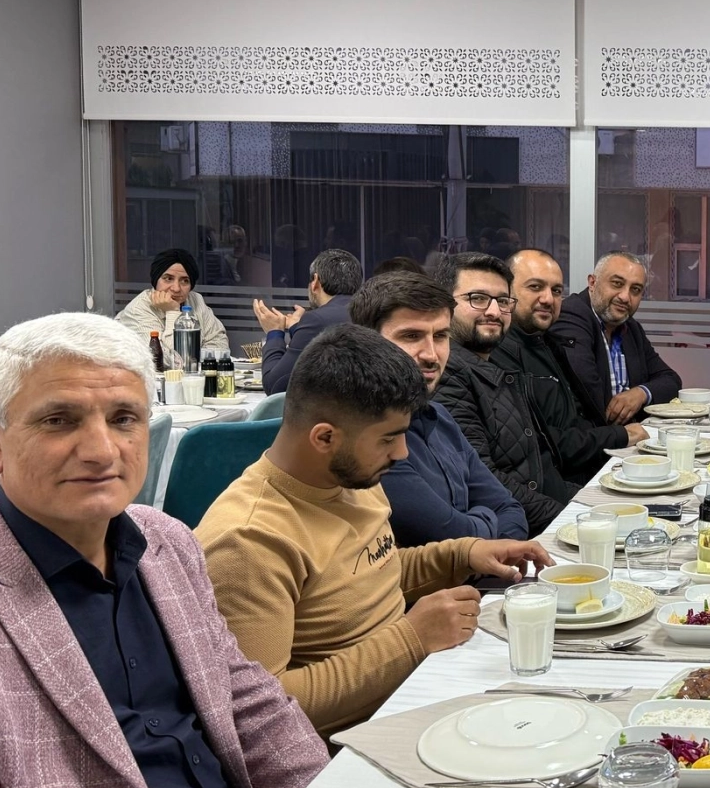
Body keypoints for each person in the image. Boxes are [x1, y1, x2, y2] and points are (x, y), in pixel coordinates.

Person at [0, 313, 328, 788]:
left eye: (124, 419)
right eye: (60, 420)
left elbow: (250, 705)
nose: (102, 451)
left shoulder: (166, 542)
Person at [196, 326, 551, 736]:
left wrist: (463, 554)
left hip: (410, 691)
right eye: (388, 439)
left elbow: (369, 574)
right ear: (324, 437)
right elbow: (264, 713)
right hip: (348, 742)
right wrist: (412, 639)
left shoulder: (348, 478)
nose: (402, 453)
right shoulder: (249, 541)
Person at [348, 272, 528, 545]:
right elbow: (451, 536)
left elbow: (511, 510)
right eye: (411, 336)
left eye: (441, 336)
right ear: (368, 342)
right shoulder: (369, 436)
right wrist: (485, 523)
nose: (432, 355)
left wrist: (478, 529)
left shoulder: (440, 417)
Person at [434, 254, 578, 537]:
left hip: (542, 512)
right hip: (516, 535)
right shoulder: (446, 373)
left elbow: (535, 467)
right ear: (445, 305)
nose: (494, 312)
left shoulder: (494, 366)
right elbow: (484, 481)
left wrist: (588, 504)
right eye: (477, 298)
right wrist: (570, 519)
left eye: (502, 301)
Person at [491, 249, 649, 485]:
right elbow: (545, 444)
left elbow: (575, 422)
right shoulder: (499, 354)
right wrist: (619, 435)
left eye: (556, 291)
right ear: (506, 293)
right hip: (554, 491)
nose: (548, 299)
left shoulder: (549, 343)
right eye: (535, 287)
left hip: (582, 474)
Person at [552, 251, 682, 425]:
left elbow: (671, 380)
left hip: (632, 434)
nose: (625, 297)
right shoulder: (571, 316)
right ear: (592, 283)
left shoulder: (632, 329)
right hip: (594, 437)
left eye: (635, 290)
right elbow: (588, 392)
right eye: (617, 284)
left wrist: (640, 393)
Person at [254, 248, 362, 395]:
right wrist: (297, 328)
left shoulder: (316, 320)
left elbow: (275, 385)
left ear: (315, 281)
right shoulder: (367, 311)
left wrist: (274, 332)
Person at [115, 248, 230, 363]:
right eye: (168, 279)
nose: (176, 288)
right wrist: (173, 311)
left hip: (195, 373)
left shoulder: (195, 300)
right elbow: (168, 362)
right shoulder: (138, 310)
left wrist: (196, 362)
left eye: (184, 281)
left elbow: (219, 343)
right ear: (156, 280)